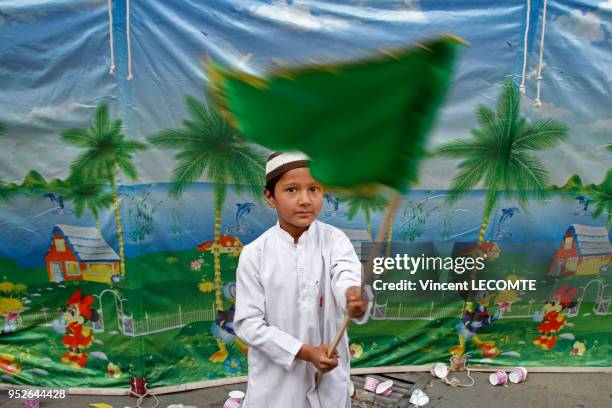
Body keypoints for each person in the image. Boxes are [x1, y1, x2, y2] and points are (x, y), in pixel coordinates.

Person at [234, 151, 371, 408]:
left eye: (314, 189)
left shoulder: (335, 241)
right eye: (292, 190)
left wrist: (352, 296)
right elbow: (248, 324)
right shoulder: (255, 254)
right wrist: (305, 352)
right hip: (276, 383)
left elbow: (346, 275)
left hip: (329, 376)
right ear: (269, 196)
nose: (305, 200)